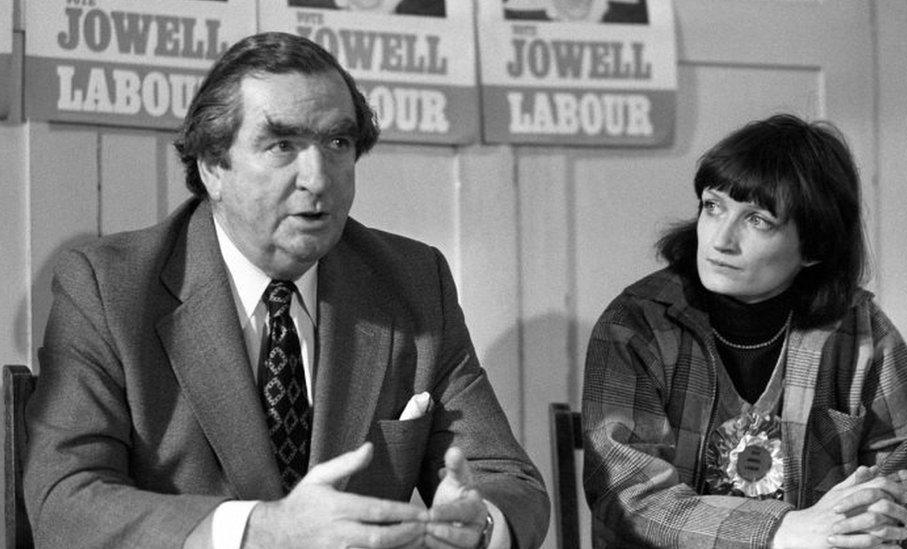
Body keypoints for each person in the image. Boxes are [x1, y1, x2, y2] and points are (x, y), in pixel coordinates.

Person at [24, 31, 549, 549]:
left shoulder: (412, 281)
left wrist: (478, 525)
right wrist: (261, 529)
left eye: (337, 143)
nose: (317, 177)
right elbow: (66, 502)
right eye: (282, 145)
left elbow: (504, 476)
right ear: (213, 166)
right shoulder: (110, 289)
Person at [582, 114, 907, 548]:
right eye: (713, 206)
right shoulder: (636, 324)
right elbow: (629, 496)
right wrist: (781, 530)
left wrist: (887, 515)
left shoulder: (859, 328)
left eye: (757, 220)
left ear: (815, 247)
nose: (720, 240)